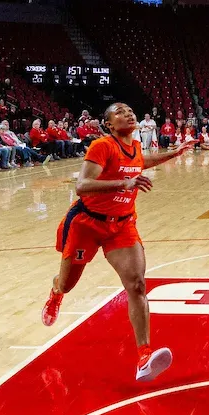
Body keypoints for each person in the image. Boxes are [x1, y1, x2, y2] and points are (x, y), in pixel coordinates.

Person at [41, 103, 194, 382]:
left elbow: (140, 162)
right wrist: (123, 184)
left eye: (130, 110)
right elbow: (82, 185)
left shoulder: (135, 146)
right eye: (120, 111)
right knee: (67, 283)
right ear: (109, 124)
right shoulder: (102, 146)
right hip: (87, 223)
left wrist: (175, 153)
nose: (129, 113)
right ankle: (56, 292)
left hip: (121, 225)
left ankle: (144, 356)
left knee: (137, 285)